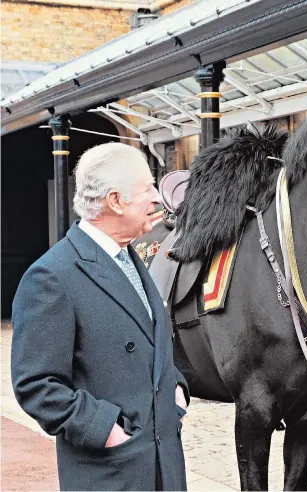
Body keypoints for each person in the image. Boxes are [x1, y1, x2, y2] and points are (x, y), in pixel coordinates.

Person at [11, 142, 189, 491]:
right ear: (115, 201)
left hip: (162, 466)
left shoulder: (131, 259)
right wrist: (105, 430)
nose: (157, 197)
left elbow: (148, 342)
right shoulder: (51, 276)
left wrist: (175, 388)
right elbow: (36, 384)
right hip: (111, 474)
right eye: (148, 188)